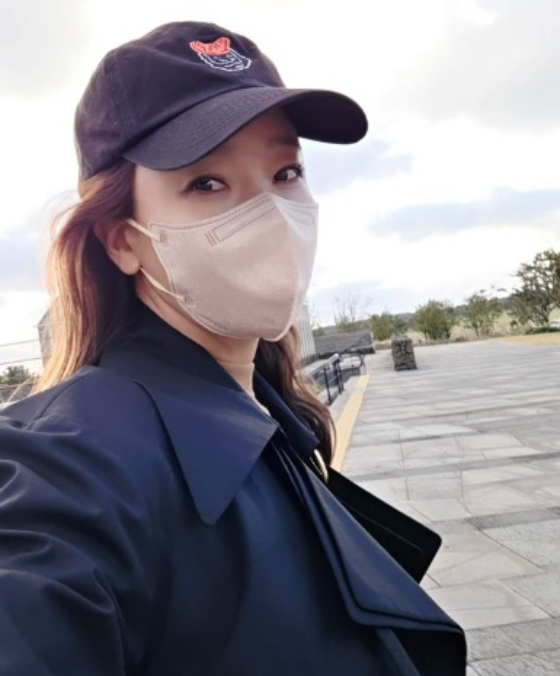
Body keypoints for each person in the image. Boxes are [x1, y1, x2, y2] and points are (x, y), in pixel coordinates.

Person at [0, 21, 466, 675]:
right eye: (207, 183)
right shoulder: (74, 463)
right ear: (122, 240)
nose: (272, 213)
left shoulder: (274, 412)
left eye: (286, 171)